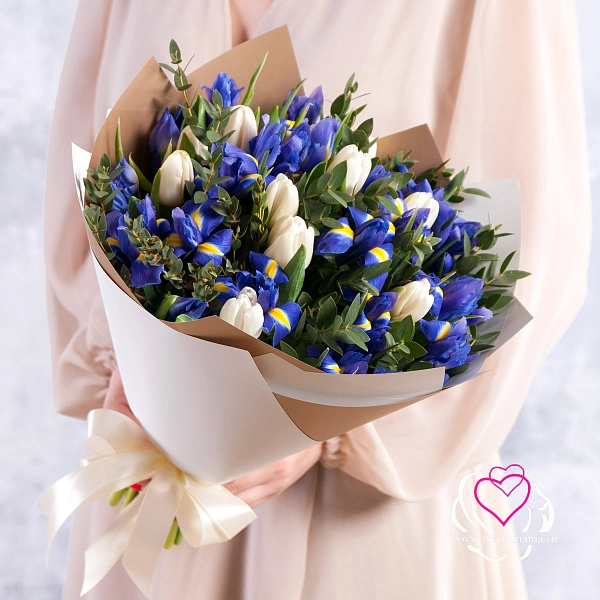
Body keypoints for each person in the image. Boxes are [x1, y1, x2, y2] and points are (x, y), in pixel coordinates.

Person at [44, 1, 591, 598]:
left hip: (360, 513)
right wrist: (129, 363)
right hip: (149, 462)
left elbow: (531, 238)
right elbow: (81, 189)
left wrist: (326, 428)